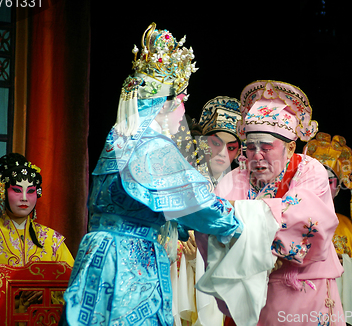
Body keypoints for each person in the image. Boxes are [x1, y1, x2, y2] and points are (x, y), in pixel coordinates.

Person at [60, 23, 242, 326]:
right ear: (163, 104)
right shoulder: (151, 144)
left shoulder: (119, 135)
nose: (183, 112)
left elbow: (154, 204)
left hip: (97, 252)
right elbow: (197, 203)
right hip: (128, 260)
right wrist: (238, 222)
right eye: (181, 102)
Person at [197, 80, 345, 326]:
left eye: (266, 147)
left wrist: (236, 214)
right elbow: (211, 225)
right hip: (248, 294)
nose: (256, 156)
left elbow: (305, 216)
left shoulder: (308, 169)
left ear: (290, 146)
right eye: (250, 147)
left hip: (304, 290)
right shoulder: (235, 179)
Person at [172, 97, 242, 325]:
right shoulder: (184, 180)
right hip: (184, 275)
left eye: (231, 147)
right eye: (216, 143)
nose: (223, 153)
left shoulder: (241, 187)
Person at [305, 132, 352, 326]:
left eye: (329, 181)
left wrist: (346, 264)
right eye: (316, 179)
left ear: (338, 188)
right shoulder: (291, 219)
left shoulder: (350, 228)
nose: (321, 186)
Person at [0, 153, 74, 311]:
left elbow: (75, 284)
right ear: (3, 191)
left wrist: (47, 292)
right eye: (17, 190)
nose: (24, 198)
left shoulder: (52, 240)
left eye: (31, 191)